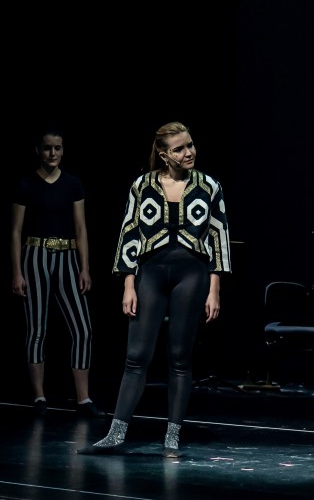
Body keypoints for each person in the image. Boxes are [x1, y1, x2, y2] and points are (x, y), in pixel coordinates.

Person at [79, 121, 232, 457]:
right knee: (136, 356)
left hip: (191, 275)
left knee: (179, 357)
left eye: (190, 145)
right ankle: (115, 434)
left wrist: (215, 287)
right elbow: (129, 232)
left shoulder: (209, 186)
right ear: (164, 155)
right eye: (179, 149)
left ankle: (172, 437)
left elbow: (219, 235)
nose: (188, 152)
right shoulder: (142, 185)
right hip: (150, 273)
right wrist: (128, 283)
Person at [10, 128, 106, 418]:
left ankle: (83, 398)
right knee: (37, 328)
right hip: (35, 255)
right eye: (48, 148)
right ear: (38, 150)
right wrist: (17, 272)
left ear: (63, 150)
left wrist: (85, 268)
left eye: (58, 148)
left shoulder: (73, 183)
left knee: (83, 328)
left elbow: (81, 228)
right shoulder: (26, 183)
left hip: (67, 256)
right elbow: (15, 231)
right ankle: (39, 396)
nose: (53, 153)